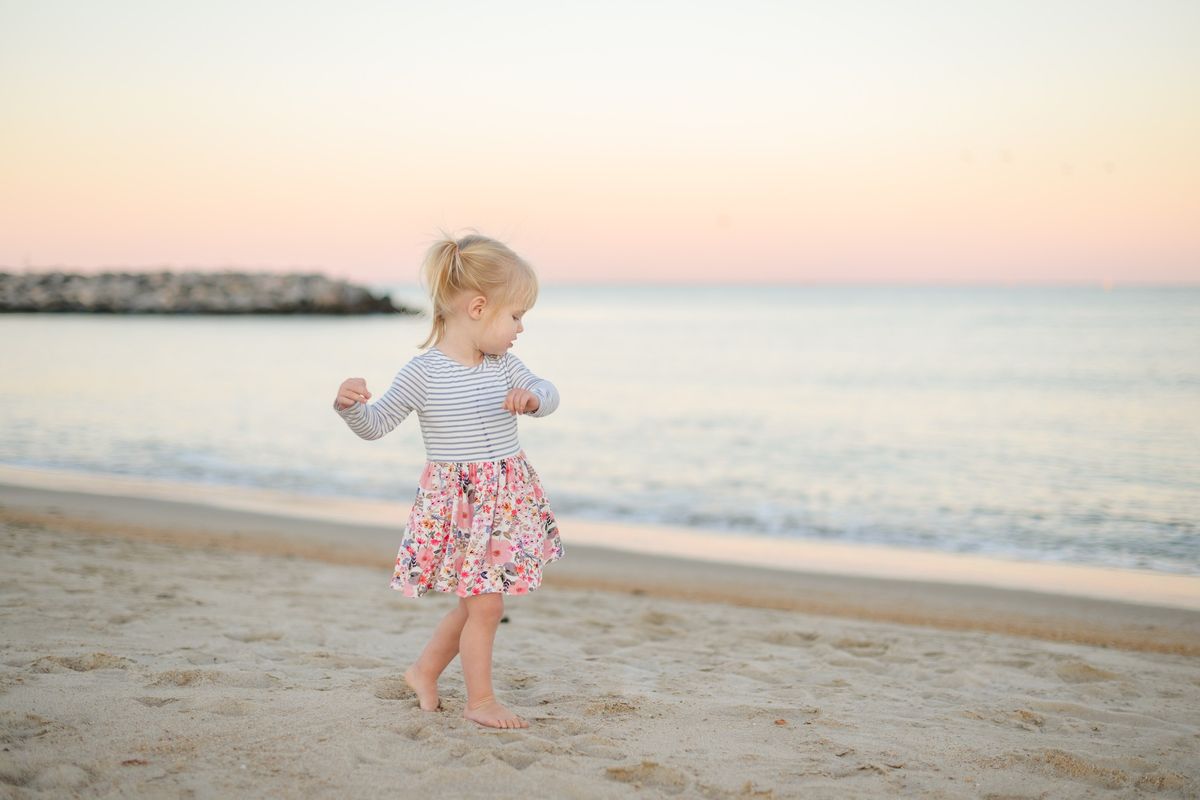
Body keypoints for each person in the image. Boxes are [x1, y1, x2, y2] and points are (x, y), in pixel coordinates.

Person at [332, 230, 564, 729]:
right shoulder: (424, 374)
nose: (520, 329)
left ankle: (423, 670)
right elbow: (376, 425)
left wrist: (535, 400)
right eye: (516, 316)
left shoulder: (504, 366)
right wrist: (351, 408)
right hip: (461, 511)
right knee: (484, 605)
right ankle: (479, 702)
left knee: (476, 603)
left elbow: (547, 389)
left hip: (503, 504)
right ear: (478, 308)